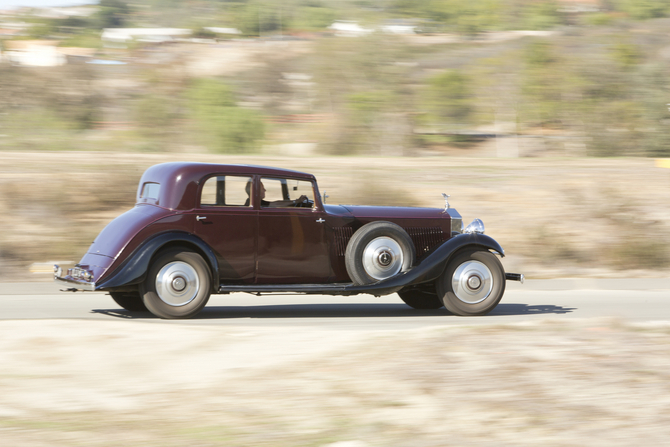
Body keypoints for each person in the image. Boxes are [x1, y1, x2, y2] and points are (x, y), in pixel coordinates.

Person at [244, 180, 309, 208]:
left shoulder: (253, 202)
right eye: (262, 188)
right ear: (256, 191)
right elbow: (276, 204)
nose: (265, 190)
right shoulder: (254, 203)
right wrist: (296, 201)